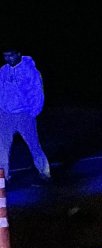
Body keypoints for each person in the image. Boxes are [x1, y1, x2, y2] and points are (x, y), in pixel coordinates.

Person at [0, 47, 51, 182]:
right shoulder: (3, 70)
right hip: (6, 115)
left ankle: (44, 172)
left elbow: (37, 91)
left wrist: (33, 112)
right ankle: (3, 176)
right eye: (5, 56)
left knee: (33, 144)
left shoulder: (30, 70)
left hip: (24, 114)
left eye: (11, 55)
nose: (8, 58)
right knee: (2, 147)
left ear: (18, 54)